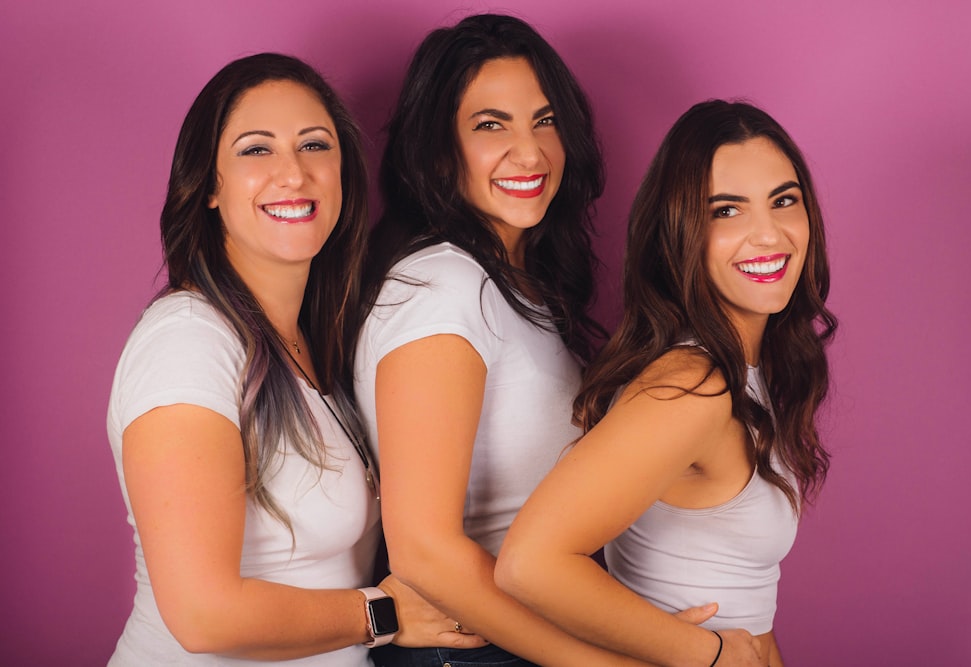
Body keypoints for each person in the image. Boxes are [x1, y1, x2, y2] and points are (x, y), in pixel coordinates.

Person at [354, 13, 713, 667]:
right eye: (491, 126)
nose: (531, 152)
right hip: (477, 652)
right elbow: (424, 550)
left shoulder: (516, 285)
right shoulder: (441, 286)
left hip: (523, 637)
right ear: (438, 150)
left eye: (544, 121)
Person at [106, 52, 484, 665]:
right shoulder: (188, 339)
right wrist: (382, 615)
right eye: (257, 151)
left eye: (315, 146)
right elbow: (203, 615)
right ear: (207, 186)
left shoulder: (314, 347)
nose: (293, 174)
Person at [496, 100, 838, 667]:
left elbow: (750, 615)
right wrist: (703, 654)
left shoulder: (746, 368)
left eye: (784, 201)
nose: (768, 233)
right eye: (727, 212)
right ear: (681, 232)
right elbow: (529, 562)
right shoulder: (692, 385)